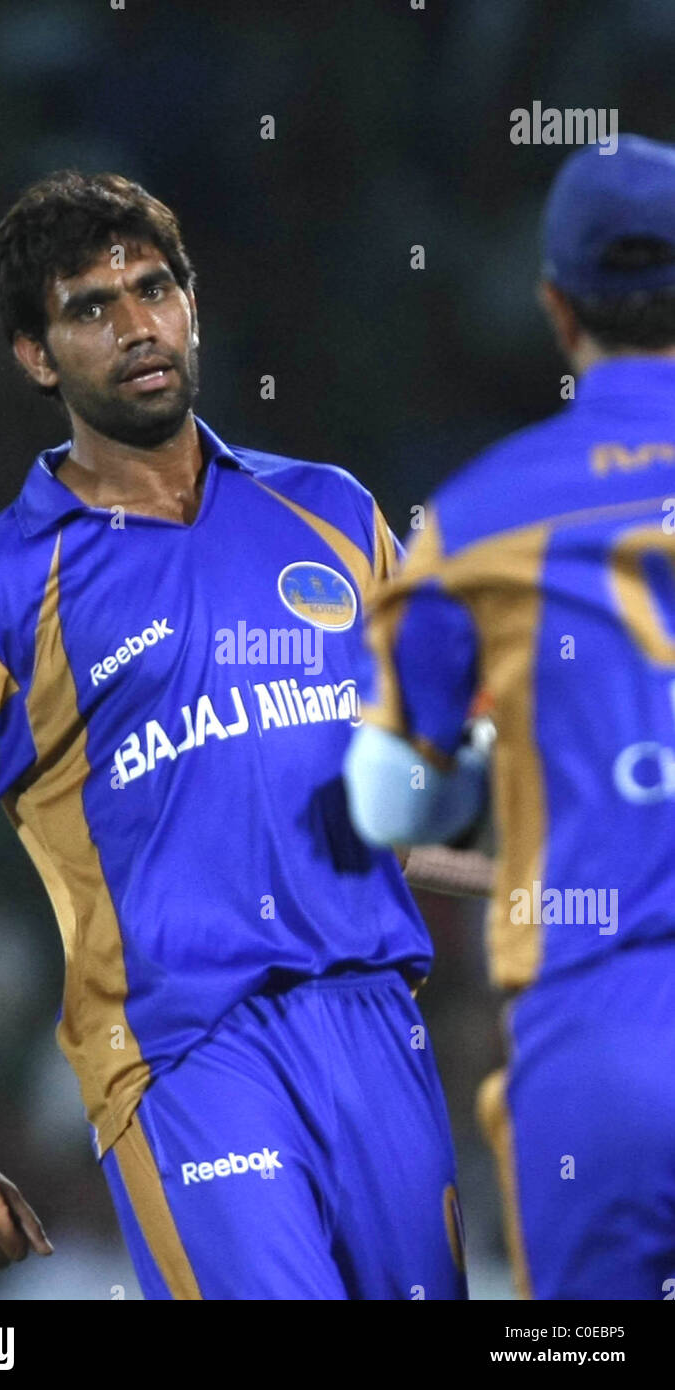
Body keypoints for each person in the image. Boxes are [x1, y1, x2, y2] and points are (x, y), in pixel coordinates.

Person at [0, 170, 467, 1301]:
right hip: (188, 1058)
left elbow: (399, 798)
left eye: (155, 287)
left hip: (383, 1029)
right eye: (89, 307)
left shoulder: (329, 510)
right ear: (36, 357)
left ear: (192, 303)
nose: (137, 324)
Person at [344, 133, 675, 1301]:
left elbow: (389, 799)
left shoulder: (477, 515)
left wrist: (482, 774)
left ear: (553, 305)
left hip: (602, 1030)